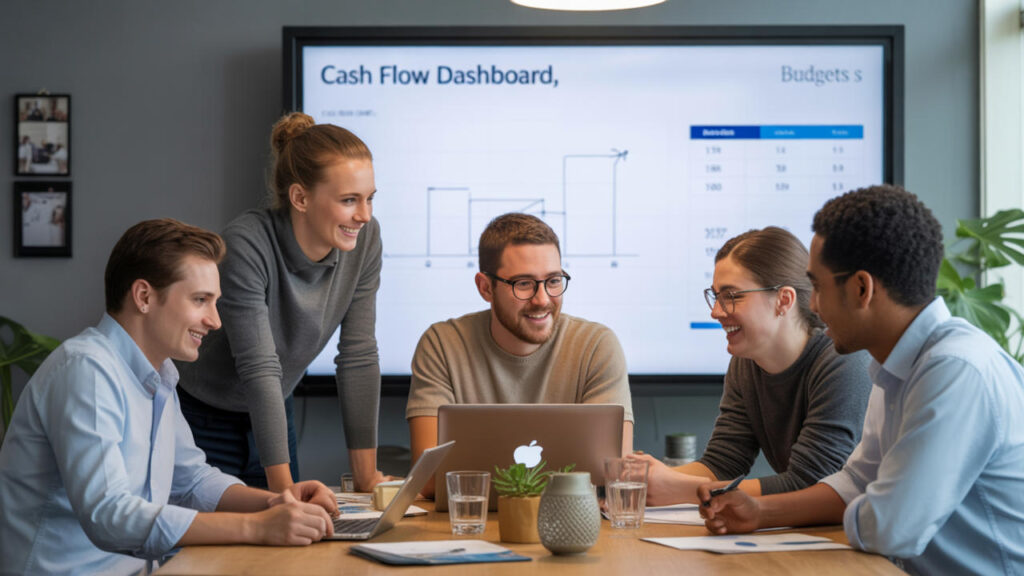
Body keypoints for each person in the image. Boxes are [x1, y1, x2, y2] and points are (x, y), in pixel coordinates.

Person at [699, 185, 1024, 575]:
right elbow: (857, 481)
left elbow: (889, 527)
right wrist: (761, 512)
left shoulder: (955, 370)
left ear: (861, 288)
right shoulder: (895, 368)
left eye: (817, 286)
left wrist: (864, 507)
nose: (812, 305)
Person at [0, 219, 340, 576]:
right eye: (200, 300)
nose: (214, 321)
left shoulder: (159, 375)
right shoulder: (86, 370)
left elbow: (191, 481)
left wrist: (276, 503)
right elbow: (109, 517)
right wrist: (258, 528)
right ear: (144, 297)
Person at [176, 112, 389, 493]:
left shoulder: (366, 241)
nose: (364, 215)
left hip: (274, 411)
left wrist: (366, 477)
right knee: (212, 545)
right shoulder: (246, 245)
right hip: (200, 418)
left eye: (370, 198)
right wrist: (284, 494)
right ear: (300, 197)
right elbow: (259, 367)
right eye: (349, 200)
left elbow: (358, 354)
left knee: (285, 546)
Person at [632, 227, 871, 505]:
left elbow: (812, 483)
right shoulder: (745, 363)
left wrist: (685, 489)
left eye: (731, 296)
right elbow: (722, 463)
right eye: (716, 295)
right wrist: (649, 480)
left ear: (784, 300)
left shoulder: (843, 361)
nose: (715, 311)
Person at [406, 212, 635, 496]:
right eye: (523, 284)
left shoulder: (597, 346)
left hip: (572, 527)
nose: (542, 300)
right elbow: (430, 480)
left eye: (553, 281)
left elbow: (612, 474)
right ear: (485, 287)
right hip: (468, 528)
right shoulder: (442, 345)